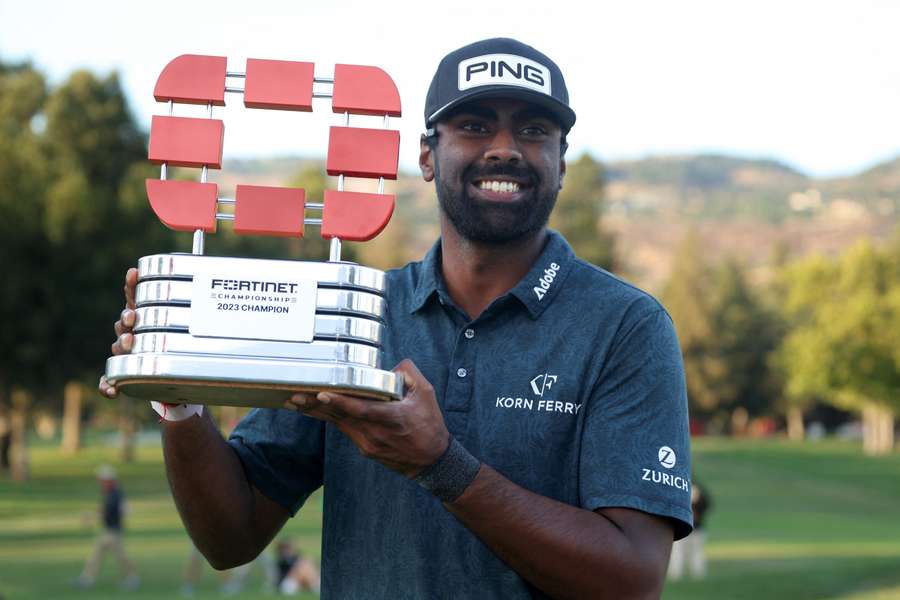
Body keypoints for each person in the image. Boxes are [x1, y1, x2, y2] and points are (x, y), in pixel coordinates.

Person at [101, 37, 693, 598]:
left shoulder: (626, 326)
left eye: (534, 130)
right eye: (474, 125)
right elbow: (230, 536)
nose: (505, 148)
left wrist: (443, 466)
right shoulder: (355, 311)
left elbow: (634, 580)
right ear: (428, 157)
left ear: (562, 162)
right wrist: (176, 397)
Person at [77, 465, 140, 590]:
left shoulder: (115, 493)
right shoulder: (109, 492)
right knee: (97, 555)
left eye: (102, 479)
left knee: (120, 556)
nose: (100, 482)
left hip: (113, 531)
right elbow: (104, 509)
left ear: (109, 480)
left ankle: (132, 578)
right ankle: (87, 579)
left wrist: (90, 516)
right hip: (108, 531)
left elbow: (111, 510)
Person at [668, 480, 712, 581]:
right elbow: (707, 504)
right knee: (691, 553)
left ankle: (678, 575)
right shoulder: (697, 489)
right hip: (690, 527)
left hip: (686, 526)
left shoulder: (677, 487)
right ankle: (693, 575)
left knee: (680, 552)